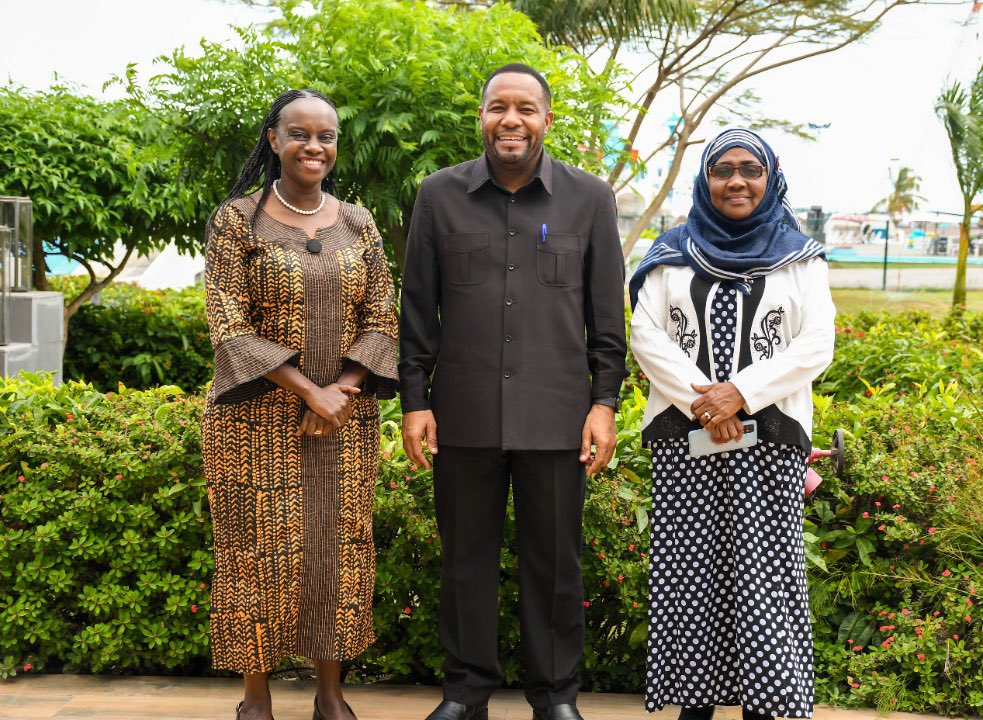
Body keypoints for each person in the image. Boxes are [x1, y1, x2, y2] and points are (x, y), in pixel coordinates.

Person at [397, 63, 628, 720]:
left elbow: (606, 320)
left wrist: (604, 405)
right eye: (499, 106)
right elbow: (417, 312)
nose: (511, 119)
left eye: (526, 108)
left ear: (547, 120)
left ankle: (555, 698)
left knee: (555, 566)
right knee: (464, 562)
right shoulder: (438, 196)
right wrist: (415, 401)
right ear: (482, 117)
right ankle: (465, 695)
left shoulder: (589, 200)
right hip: (462, 413)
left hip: (556, 419)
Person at [201, 89, 399, 720]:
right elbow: (226, 320)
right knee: (252, 552)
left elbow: (384, 315)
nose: (315, 147)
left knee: (334, 550)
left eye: (327, 136)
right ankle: (254, 698)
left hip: (345, 421)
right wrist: (308, 389)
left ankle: (330, 694)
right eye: (300, 134)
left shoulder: (358, 221)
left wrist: (341, 390)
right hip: (251, 421)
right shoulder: (237, 220)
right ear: (273, 140)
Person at [628, 127, 835, 720]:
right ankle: (695, 707)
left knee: (763, 582)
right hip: (683, 440)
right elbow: (646, 335)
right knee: (691, 582)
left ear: (770, 179)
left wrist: (739, 395)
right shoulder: (673, 251)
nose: (736, 181)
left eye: (750, 169)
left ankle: (764, 708)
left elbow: (817, 341)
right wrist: (705, 404)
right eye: (723, 170)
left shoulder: (801, 256)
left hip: (769, 445)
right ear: (705, 180)